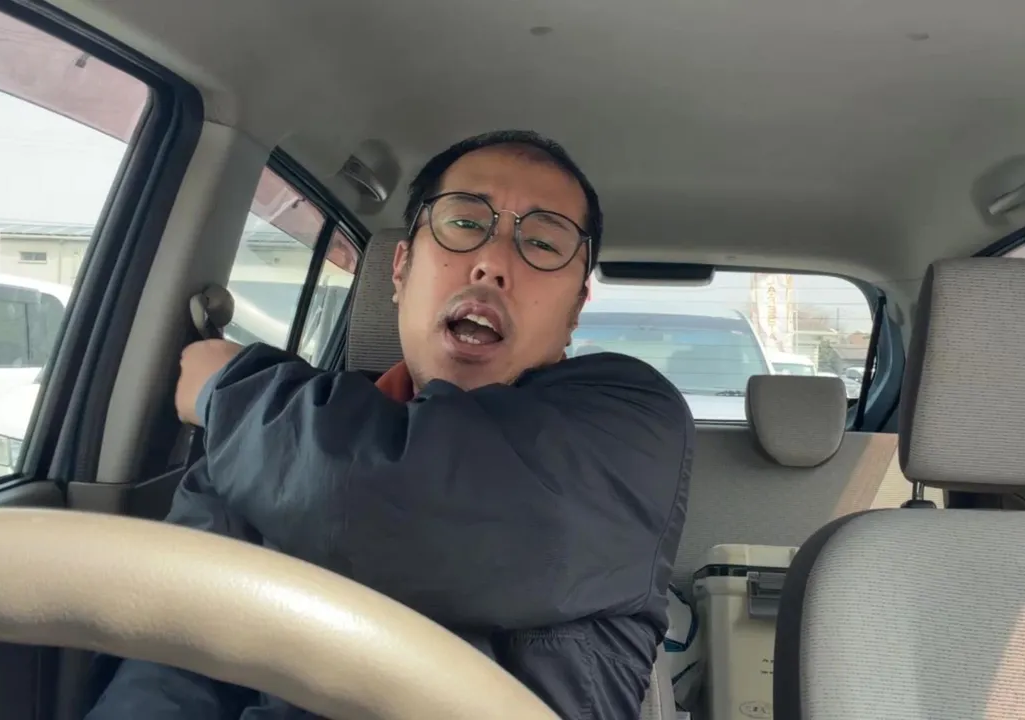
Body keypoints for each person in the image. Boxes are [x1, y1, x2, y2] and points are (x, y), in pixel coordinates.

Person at [87, 130, 693, 719]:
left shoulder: (633, 426)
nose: (492, 264)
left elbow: (404, 507)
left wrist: (227, 388)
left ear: (575, 309)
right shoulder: (263, 437)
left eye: (541, 242)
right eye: (464, 223)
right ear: (400, 270)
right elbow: (174, 657)